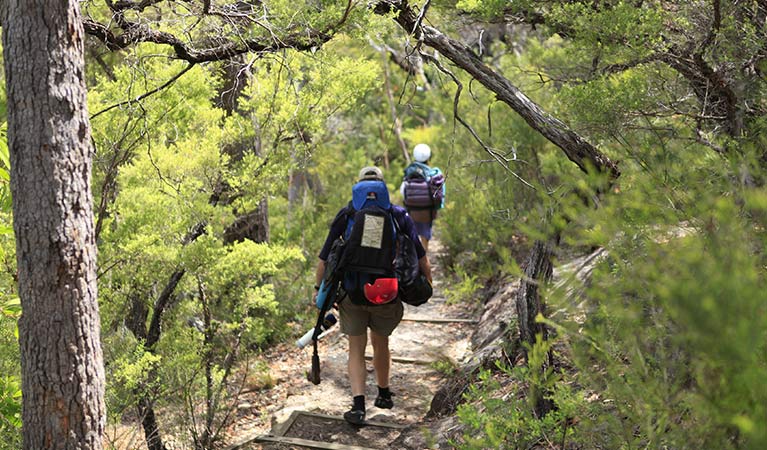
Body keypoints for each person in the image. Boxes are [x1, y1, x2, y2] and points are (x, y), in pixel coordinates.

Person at [314, 166, 432, 425]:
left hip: (352, 293)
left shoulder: (347, 215)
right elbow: (421, 257)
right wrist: (428, 283)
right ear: (382, 187)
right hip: (386, 293)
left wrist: (319, 292)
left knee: (356, 348)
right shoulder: (398, 214)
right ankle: (384, 393)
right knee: (381, 343)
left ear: (358, 187)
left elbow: (324, 259)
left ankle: (358, 406)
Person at [400, 143, 444, 253]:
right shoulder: (433, 173)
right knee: (425, 236)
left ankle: (414, 261)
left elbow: (403, 192)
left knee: (412, 236)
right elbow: (440, 195)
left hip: (411, 211)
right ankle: (424, 259)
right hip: (427, 212)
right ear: (429, 157)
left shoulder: (409, 172)